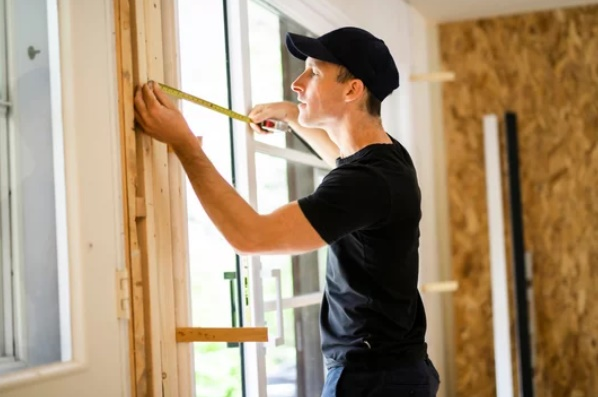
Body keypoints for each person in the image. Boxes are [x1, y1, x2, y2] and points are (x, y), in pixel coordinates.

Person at [134, 26, 440, 397]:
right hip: (393, 367)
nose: (297, 82)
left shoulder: (367, 182)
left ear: (352, 90)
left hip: (373, 378)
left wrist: (185, 144)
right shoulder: (387, 158)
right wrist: (294, 116)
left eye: (313, 72)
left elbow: (251, 236)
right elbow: (340, 159)